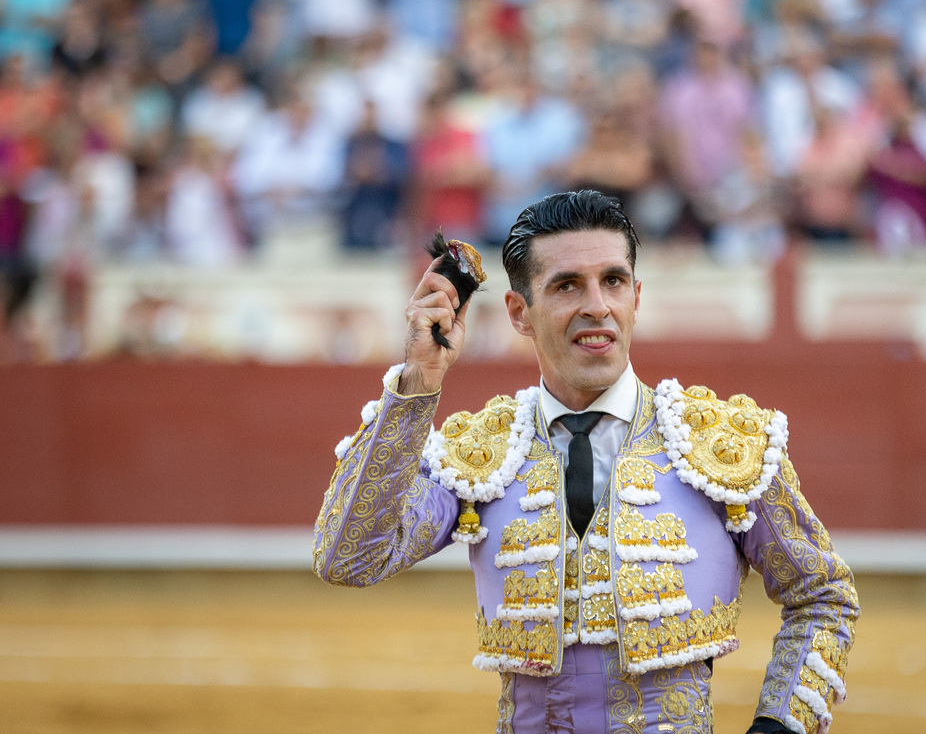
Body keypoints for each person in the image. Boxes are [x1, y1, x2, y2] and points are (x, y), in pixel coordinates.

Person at [313, 189, 859, 734]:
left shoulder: (719, 442)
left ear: (636, 298)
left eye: (613, 281)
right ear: (519, 312)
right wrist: (418, 381)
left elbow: (823, 596)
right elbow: (349, 558)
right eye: (568, 284)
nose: (596, 305)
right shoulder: (480, 452)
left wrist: (780, 727)